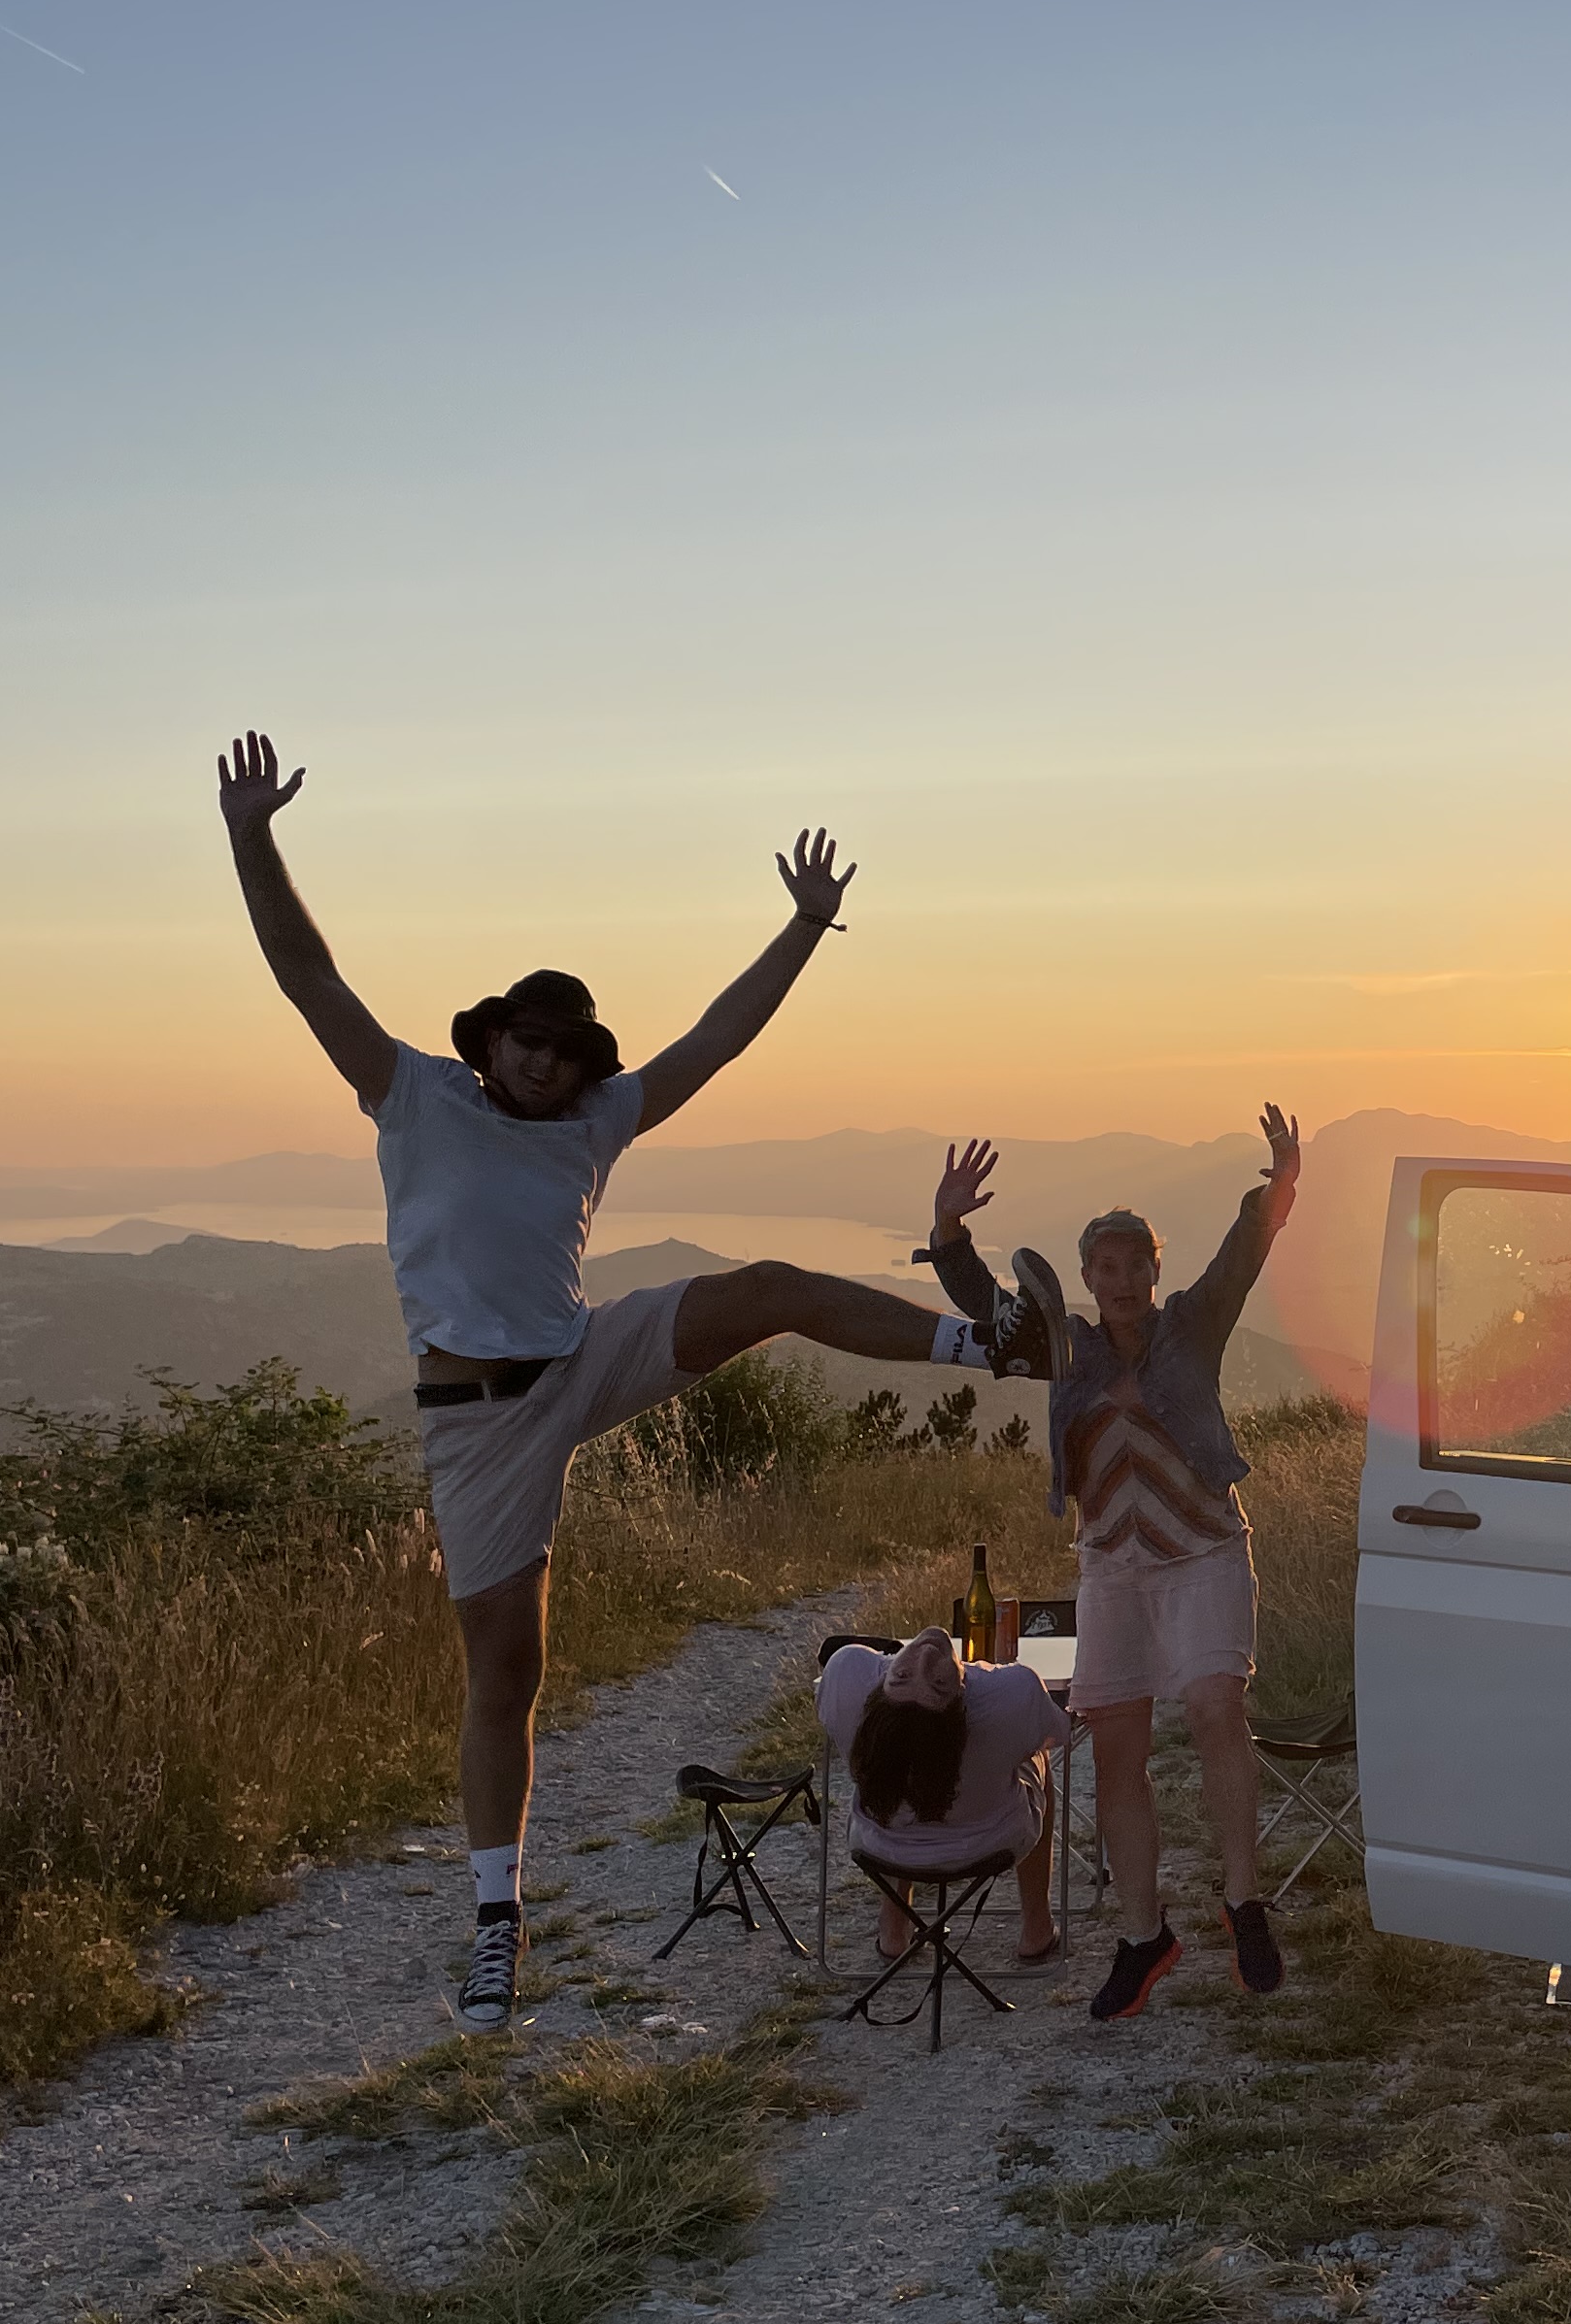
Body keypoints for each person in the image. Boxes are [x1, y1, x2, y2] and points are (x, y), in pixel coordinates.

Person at [215, 731, 1056, 2032]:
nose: (545, 1063)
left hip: (581, 1353)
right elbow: (304, 972)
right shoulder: (413, 1094)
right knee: (508, 1672)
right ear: (491, 1040)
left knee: (769, 1287)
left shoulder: (597, 1118)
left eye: (566, 1049)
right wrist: (252, 835)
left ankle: (989, 1345)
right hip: (476, 1423)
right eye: (528, 1041)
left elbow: (715, 1040)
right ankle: (497, 1923)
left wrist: (804, 927)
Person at [933, 1108, 1303, 2018]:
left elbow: (1241, 1259)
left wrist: (1280, 1185)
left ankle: (1244, 1902)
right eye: (1107, 1267)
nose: (1124, 1279)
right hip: (1111, 1566)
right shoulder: (1065, 1345)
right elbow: (985, 1302)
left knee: (1215, 1707)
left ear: (1154, 1273)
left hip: (1203, 1550)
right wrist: (948, 1227)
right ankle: (1145, 1938)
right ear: (1088, 1278)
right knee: (1116, 1751)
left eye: (1137, 1264)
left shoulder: (1193, 1326)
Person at [818, 1628, 1065, 1965]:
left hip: (881, 1844)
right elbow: (1057, 1731)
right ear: (958, 1708)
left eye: (903, 1677)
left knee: (893, 1772)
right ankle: (1037, 1928)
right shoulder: (1013, 1691)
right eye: (936, 1683)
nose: (924, 1656)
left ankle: (893, 1930)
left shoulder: (848, 1672)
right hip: (990, 1843)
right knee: (1037, 1757)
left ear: (877, 1699)